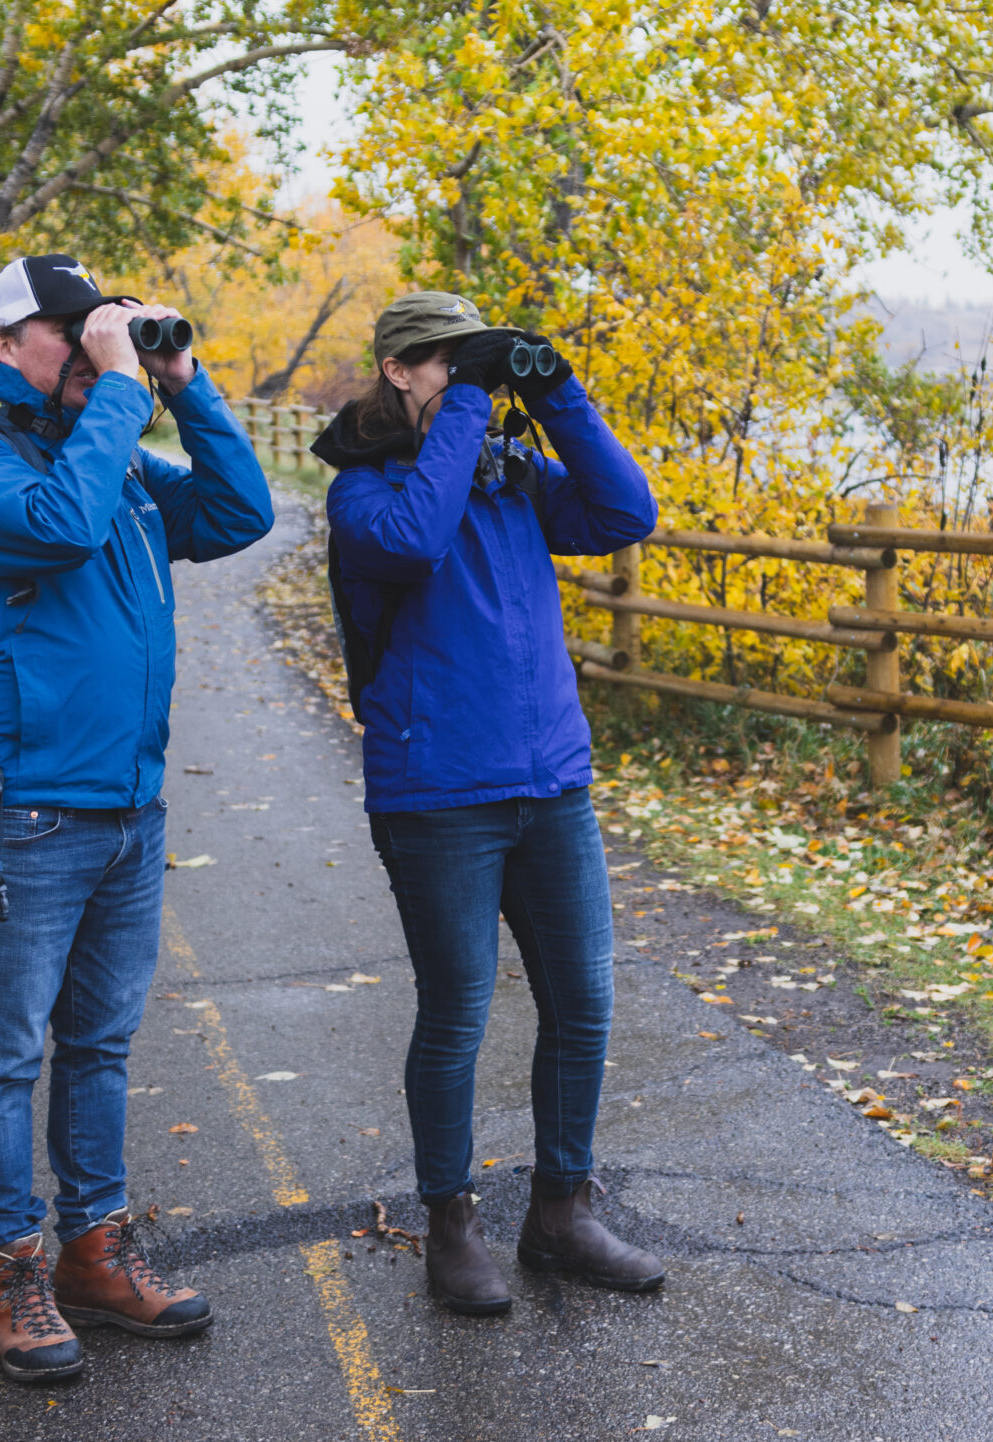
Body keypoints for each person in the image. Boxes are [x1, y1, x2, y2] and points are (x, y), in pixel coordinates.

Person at [0, 253, 274, 1380]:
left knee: (102, 1048)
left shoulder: (116, 455)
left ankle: (93, 1249)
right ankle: (10, 1266)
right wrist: (120, 393)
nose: (90, 346)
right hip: (21, 813)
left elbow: (238, 511)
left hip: (130, 807)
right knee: (4, 1052)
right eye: (67, 331)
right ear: (1, 348)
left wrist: (178, 379)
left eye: (101, 328)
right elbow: (60, 528)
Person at [314, 292, 659, 1315]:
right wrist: (472, 394)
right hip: (438, 793)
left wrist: (557, 396)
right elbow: (419, 539)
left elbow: (623, 512)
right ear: (396, 369)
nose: (461, 381)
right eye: (439, 365)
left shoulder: (513, 475)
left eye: (473, 366)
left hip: (551, 779)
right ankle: (451, 1222)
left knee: (582, 1001)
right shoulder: (364, 493)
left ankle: (560, 1209)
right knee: (458, 1008)